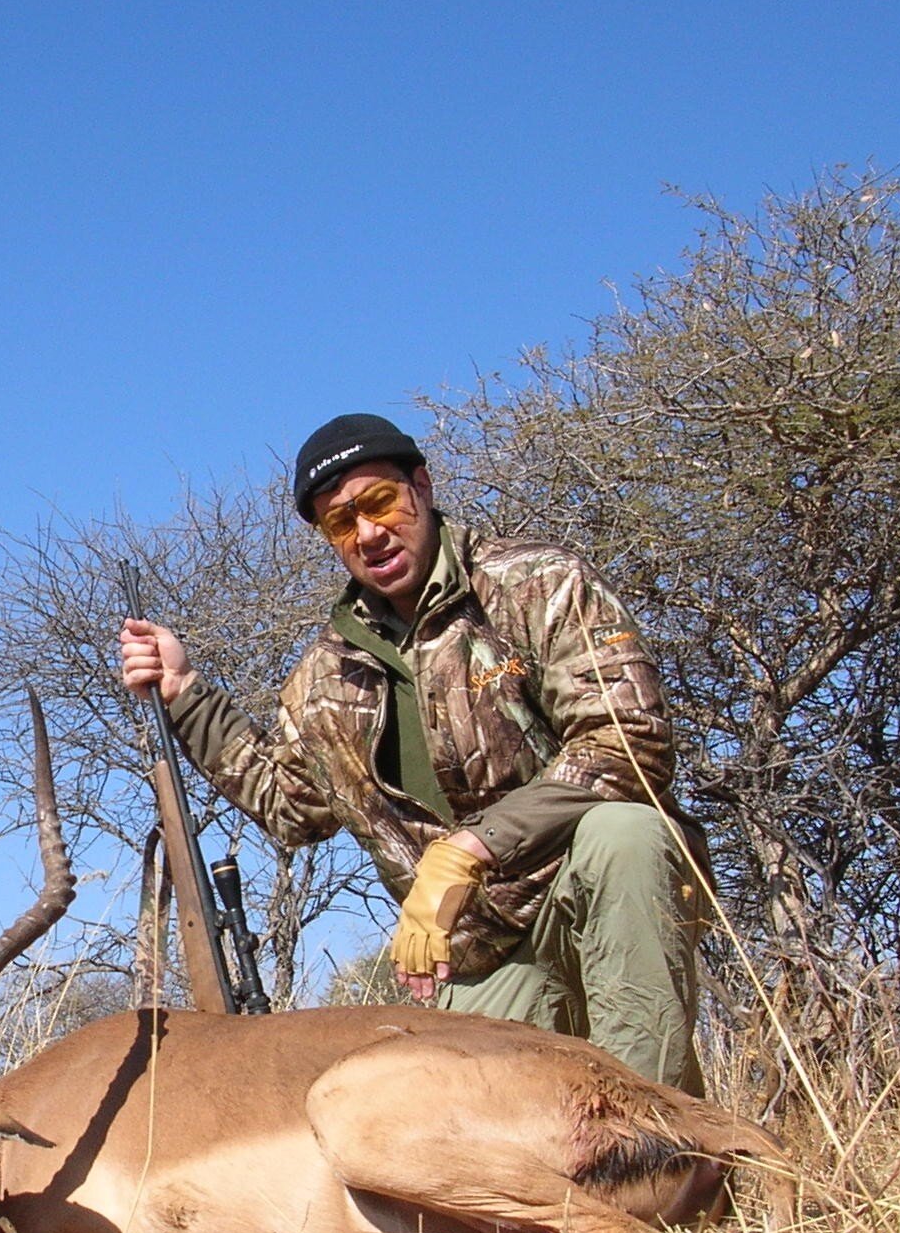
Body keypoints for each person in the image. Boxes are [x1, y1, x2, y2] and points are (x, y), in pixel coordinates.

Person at [118, 412, 706, 1090]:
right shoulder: (322, 679)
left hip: (588, 890)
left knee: (625, 833)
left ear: (421, 487)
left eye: (379, 503)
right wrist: (186, 691)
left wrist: (469, 849)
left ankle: (664, 1149)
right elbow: (290, 811)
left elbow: (629, 741)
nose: (369, 534)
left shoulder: (538, 584)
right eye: (342, 522)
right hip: (479, 952)